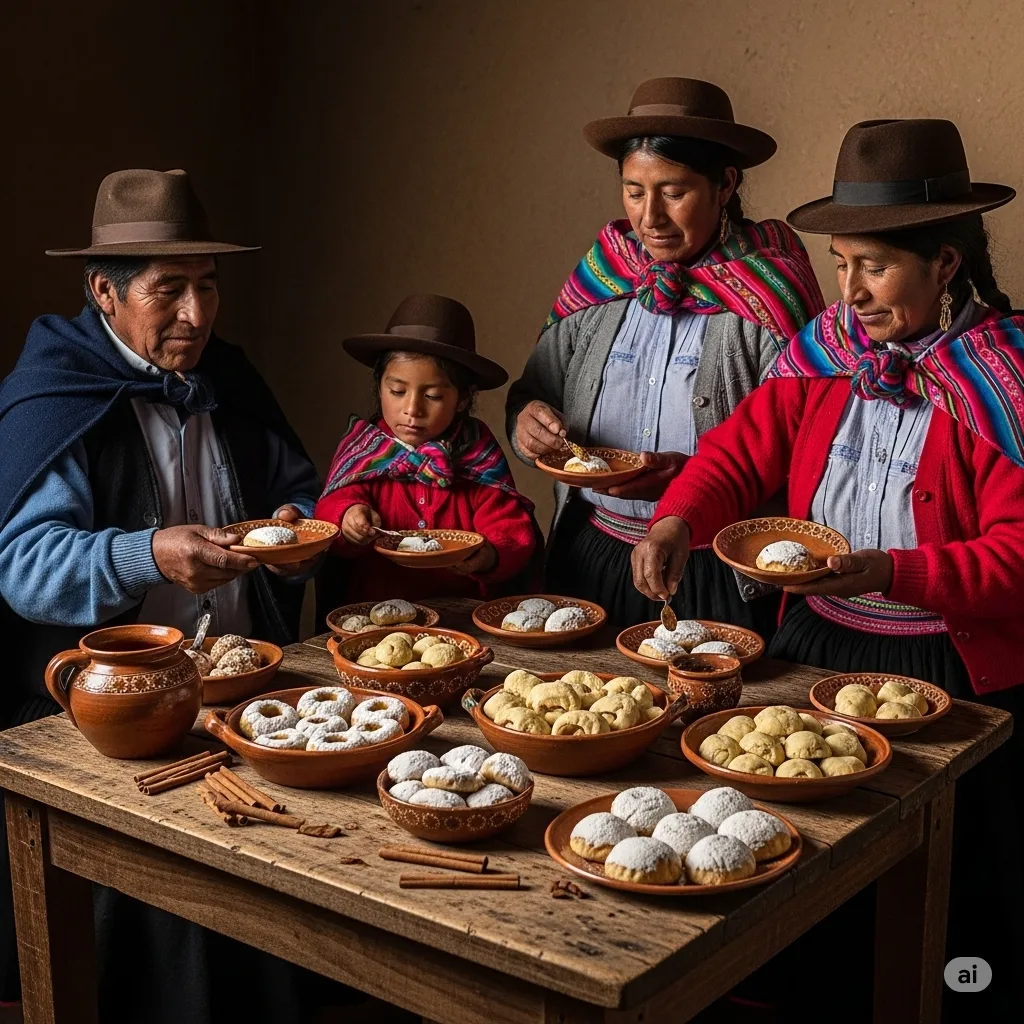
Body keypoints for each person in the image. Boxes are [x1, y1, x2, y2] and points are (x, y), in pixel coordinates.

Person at [632, 118, 1023, 1020]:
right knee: (800, 883)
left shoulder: (1003, 380)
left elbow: (1017, 558)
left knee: (936, 914)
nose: (848, 290)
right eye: (841, 263)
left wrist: (897, 569)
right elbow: (734, 455)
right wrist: (678, 521)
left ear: (947, 266)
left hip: (943, 677)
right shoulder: (826, 354)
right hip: (812, 649)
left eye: (873, 266)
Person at [0, 169, 339, 1022]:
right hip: (121, 729)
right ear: (104, 293)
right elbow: (22, 565)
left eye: (208, 286)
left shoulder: (228, 378)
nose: (196, 314)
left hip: (242, 704)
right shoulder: (56, 394)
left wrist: (294, 537)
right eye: (169, 290)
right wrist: (147, 553)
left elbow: (297, 501)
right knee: (166, 942)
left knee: (293, 902)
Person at [506, 76, 823, 633]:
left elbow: (806, 450)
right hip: (593, 554)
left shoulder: (769, 295)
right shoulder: (605, 274)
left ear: (725, 184)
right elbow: (535, 390)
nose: (649, 217)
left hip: (717, 570)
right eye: (634, 191)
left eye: (673, 192)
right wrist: (525, 422)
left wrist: (691, 484)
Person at [315, 293, 539, 607]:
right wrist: (349, 519)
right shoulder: (364, 448)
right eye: (397, 391)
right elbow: (333, 505)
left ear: (462, 398)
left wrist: (489, 554)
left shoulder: (476, 451)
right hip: (377, 617)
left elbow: (511, 525)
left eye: (432, 396)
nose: (412, 409)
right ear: (379, 387)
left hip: (464, 616)